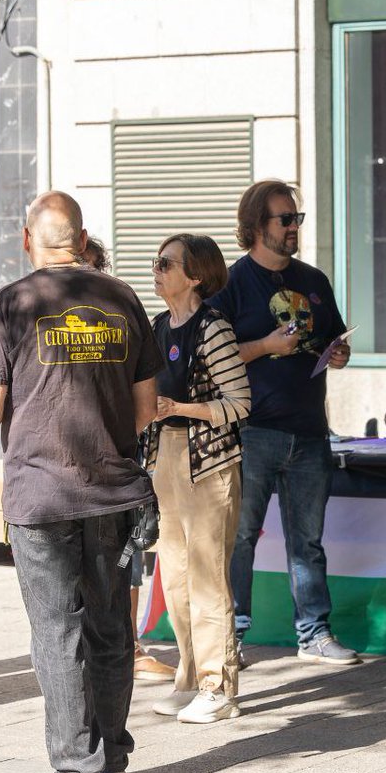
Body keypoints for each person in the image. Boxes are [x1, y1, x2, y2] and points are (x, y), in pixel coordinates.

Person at [0, 191, 162, 773]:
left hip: (40, 494)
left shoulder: (13, 302)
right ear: (81, 240)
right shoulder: (123, 297)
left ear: (29, 240)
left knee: (57, 632)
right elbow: (147, 409)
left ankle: (75, 770)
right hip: (113, 491)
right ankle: (112, 761)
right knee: (110, 629)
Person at [207, 179, 359, 665]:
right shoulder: (230, 284)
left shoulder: (314, 280)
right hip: (252, 431)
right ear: (255, 227)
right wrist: (265, 347)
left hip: (310, 430)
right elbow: (210, 357)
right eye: (285, 219)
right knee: (241, 538)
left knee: (307, 541)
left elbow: (335, 340)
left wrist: (339, 354)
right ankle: (231, 635)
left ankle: (314, 633)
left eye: (298, 218)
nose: (295, 227)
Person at [142, 233, 251, 723]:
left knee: (208, 579)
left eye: (166, 263)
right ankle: (189, 675)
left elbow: (240, 403)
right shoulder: (158, 325)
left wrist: (179, 408)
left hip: (207, 462)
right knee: (178, 576)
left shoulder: (215, 328)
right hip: (164, 459)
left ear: (196, 276)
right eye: (156, 262)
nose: (157, 270)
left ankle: (219, 686)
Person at [79, 235, 175, 684]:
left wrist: (119, 441)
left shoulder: (119, 319)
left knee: (126, 563)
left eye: (97, 268)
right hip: (67, 480)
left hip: (118, 471)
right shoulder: (50, 320)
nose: (90, 277)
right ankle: (81, 650)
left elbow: (144, 403)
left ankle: (129, 646)